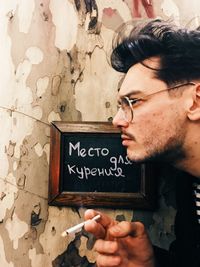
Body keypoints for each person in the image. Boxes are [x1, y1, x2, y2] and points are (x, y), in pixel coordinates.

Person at [84, 19, 200, 267]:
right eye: (120, 105)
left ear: (195, 102)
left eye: (133, 102)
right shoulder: (187, 182)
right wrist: (149, 263)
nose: (117, 121)